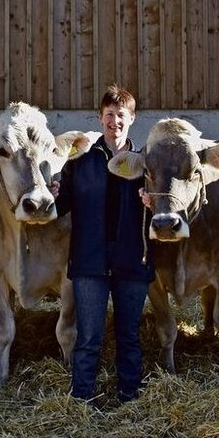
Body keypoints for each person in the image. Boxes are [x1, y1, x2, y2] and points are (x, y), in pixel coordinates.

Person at [54, 84, 153, 404]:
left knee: (128, 336)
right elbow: (62, 205)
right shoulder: (80, 160)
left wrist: (154, 203)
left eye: (121, 115)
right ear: (99, 118)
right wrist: (54, 195)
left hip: (131, 259)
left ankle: (129, 397)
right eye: (109, 115)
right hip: (89, 261)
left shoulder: (147, 163)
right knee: (89, 337)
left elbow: (168, 209)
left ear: (133, 118)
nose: (115, 122)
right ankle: (82, 398)